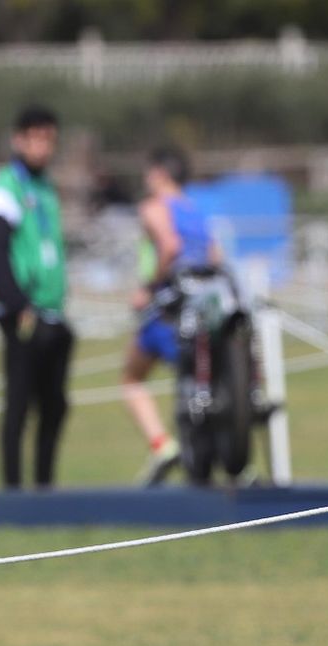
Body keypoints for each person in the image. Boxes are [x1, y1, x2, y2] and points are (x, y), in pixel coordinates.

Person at [0, 104, 75, 490]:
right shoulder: (5, 188)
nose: (42, 147)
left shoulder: (45, 188)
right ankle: (15, 493)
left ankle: (45, 488)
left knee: (54, 404)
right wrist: (17, 306)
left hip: (52, 311)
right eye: (35, 138)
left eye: (49, 139)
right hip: (24, 313)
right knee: (20, 401)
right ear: (19, 140)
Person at [122, 145, 218, 485]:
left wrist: (148, 287)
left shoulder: (154, 207)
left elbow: (170, 247)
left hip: (168, 307)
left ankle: (162, 445)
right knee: (203, 379)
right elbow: (215, 257)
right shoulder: (195, 211)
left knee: (132, 378)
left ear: (160, 173)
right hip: (203, 309)